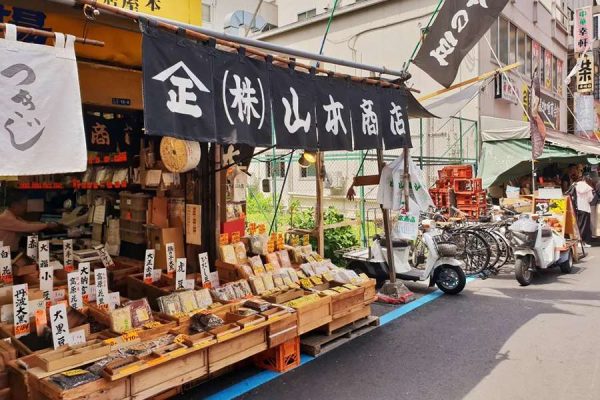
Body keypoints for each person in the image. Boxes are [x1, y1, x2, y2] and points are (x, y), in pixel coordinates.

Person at [575, 175, 594, 247]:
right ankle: (583, 242)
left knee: (579, 224)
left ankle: (580, 241)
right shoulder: (588, 187)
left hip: (578, 207)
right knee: (585, 226)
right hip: (585, 207)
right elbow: (590, 198)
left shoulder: (577, 185)